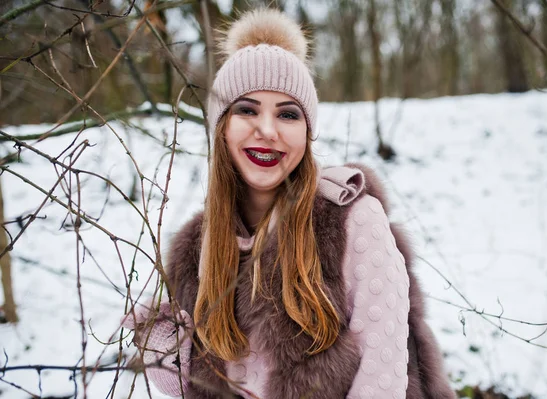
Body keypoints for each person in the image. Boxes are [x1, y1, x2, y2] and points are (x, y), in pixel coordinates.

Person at [122, 8, 455, 399]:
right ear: (221, 126)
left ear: (307, 132)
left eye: (288, 114)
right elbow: (192, 386)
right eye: (247, 110)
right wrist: (162, 344)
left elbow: (382, 375)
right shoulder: (196, 246)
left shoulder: (349, 222)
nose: (267, 130)